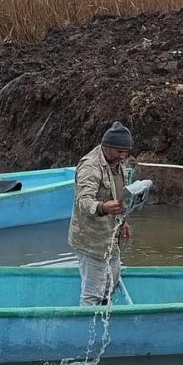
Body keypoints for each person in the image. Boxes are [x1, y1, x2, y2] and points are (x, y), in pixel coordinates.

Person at [69, 121, 135, 306]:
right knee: (92, 295)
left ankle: (105, 320)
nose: (123, 156)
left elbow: (121, 196)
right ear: (107, 147)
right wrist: (103, 207)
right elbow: (84, 201)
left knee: (110, 284)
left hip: (111, 239)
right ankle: (87, 331)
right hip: (91, 241)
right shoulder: (91, 166)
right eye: (119, 152)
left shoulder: (118, 163)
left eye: (126, 152)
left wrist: (123, 222)